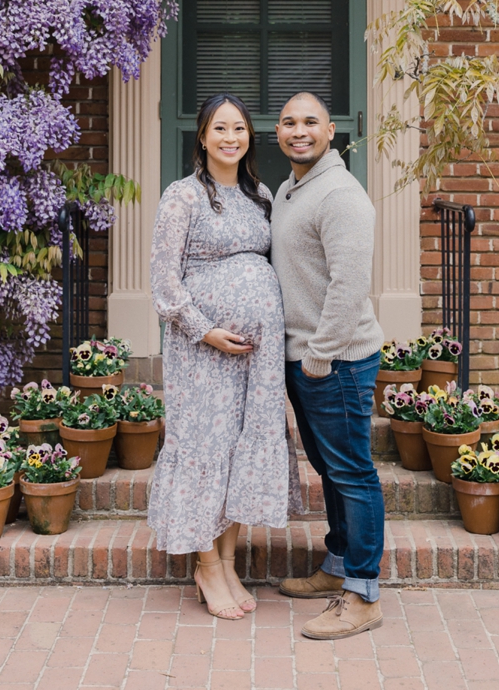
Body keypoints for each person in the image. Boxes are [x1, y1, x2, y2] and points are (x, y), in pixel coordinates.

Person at [149, 93, 301, 621]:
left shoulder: (260, 195)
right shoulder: (183, 197)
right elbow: (164, 285)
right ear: (202, 135)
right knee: (206, 448)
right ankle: (206, 565)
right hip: (202, 353)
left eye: (239, 128)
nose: (230, 137)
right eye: (220, 128)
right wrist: (206, 331)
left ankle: (230, 560)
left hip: (253, 360)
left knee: (238, 450)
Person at [271, 91, 386, 641]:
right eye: (289, 122)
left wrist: (319, 355)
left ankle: (363, 593)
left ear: (331, 129)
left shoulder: (340, 194)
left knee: (353, 474)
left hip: (335, 361)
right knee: (330, 469)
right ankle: (337, 566)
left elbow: (349, 285)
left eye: (310, 122)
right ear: (278, 132)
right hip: (306, 359)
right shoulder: (294, 190)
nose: (299, 131)